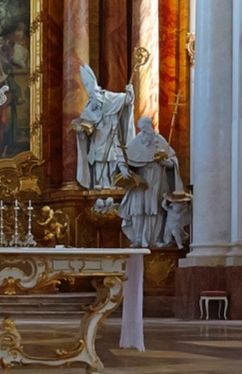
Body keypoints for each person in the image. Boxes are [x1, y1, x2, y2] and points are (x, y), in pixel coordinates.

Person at [120, 115, 183, 248]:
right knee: (138, 210)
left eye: (144, 129)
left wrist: (165, 162)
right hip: (140, 183)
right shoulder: (137, 141)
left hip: (157, 182)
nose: (142, 132)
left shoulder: (160, 141)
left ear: (150, 128)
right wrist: (124, 169)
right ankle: (137, 239)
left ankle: (154, 239)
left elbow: (173, 162)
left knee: (155, 209)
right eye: (140, 129)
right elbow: (123, 157)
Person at [73, 63, 132, 190]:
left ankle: (111, 184)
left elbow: (126, 100)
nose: (94, 104)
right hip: (97, 142)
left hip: (111, 139)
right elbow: (86, 125)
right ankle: (102, 185)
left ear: (99, 95)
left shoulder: (110, 99)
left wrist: (130, 92)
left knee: (113, 162)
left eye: (95, 99)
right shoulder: (91, 106)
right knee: (99, 166)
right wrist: (81, 131)